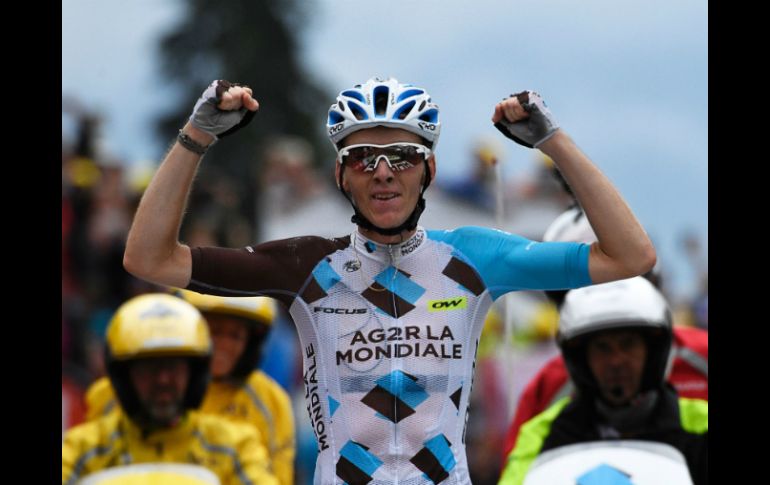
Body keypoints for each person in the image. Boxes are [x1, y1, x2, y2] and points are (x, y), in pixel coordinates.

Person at [123, 77, 656, 484]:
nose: (383, 171)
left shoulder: (472, 259)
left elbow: (630, 255)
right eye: (362, 158)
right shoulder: (305, 265)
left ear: (428, 171)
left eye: (402, 156)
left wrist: (552, 142)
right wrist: (196, 137)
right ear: (341, 175)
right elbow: (151, 259)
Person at [500, 206, 708, 465]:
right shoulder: (549, 388)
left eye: (628, 342)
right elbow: (519, 468)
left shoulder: (703, 357)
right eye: (579, 290)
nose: (617, 360)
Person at [498, 277, 708, 485]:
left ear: (653, 352)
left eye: (628, 344)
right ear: (581, 358)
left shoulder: (701, 422)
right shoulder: (542, 432)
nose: (616, 361)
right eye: (602, 348)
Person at [62, 293, 279, 485]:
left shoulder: (233, 446)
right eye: (149, 368)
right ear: (125, 377)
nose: (163, 380)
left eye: (174, 367)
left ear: (195, 375)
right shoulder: (84, 449)